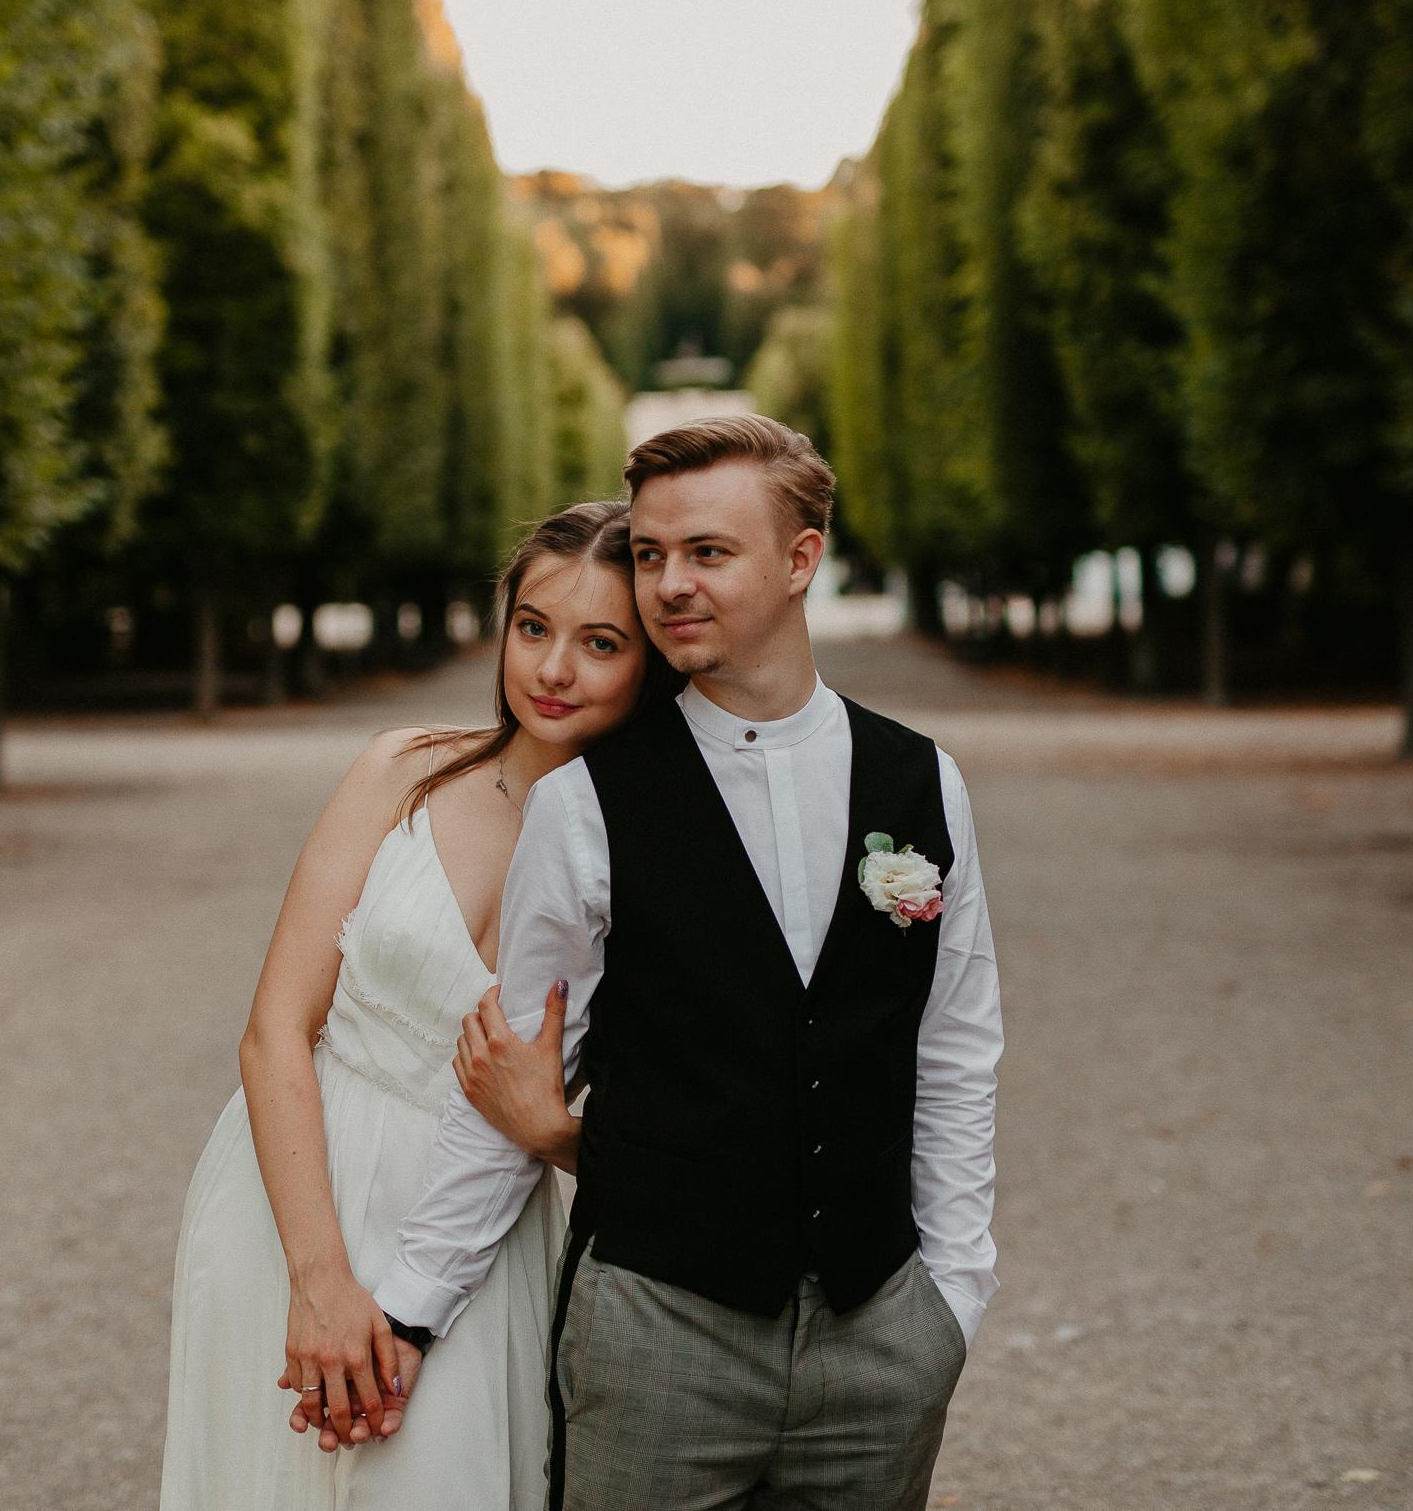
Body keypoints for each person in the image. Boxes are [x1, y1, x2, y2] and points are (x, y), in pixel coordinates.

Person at [333, 416, 1005, 1510]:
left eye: (706, 551)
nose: (667, 584)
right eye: (649, 554)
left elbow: (956, 1045)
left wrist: (952, 1292)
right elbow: (515, 1072)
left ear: (800, 559)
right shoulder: (585, 804)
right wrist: (412, 1306)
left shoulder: (923, 779)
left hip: (879, 1339)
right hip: (656, 1335)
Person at [158, 501, 681, 1511]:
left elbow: (680, 1112)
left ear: (649, 661)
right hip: (296, 1194)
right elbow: (274, 1031)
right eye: (533, 626)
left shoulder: (655, 854)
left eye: (600, 642)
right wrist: (319, 1275)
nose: (553, 668)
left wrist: (558, 1132)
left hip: (479, 1228)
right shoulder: (402, 767)